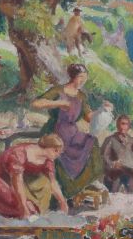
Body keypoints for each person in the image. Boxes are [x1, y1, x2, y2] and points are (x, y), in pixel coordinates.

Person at [31, 63, 103, 198]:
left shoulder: (81, 96)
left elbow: (88, 117)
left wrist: (102, 111)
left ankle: (82, 185)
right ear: (73, 77)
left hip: (72, 132)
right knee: (59, 151)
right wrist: (58, 103)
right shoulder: (58, 90)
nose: (83, 80)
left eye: (85, 77)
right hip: (55, 130)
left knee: (91, 142)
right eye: (80, 77)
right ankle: (65, 191)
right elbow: (36, 103)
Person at [0, 133, 68, 219]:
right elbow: (17, 182)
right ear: (47, 146)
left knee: (33, 208)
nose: (58, 154)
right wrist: (24, 208)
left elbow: (53, 182)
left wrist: (62, 202)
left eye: (59, 152)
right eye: (55, 150)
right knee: (20, 206)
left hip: (18, 179)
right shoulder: (19, 153)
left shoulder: (48, 160)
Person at [101, 115, 133, 193]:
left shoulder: (132, 141)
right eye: (121, 124)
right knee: (112, 196)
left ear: (129, 126)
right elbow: (104, 156)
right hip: (114, 174)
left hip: (129, 173)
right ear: (117, 125)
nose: (123, 126)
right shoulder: (110, 139)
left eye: (125, 124)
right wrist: (113, 164)